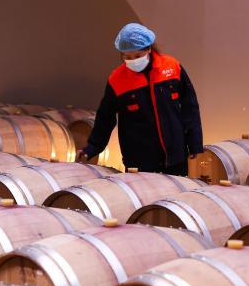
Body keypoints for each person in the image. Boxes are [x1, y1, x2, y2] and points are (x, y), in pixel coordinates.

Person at [76, 23, 203, 176]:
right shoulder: (117, 80)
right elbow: (105, 117)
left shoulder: (173, 67)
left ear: (148, 49)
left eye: (137, 56)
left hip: (175, 156)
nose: (133, 61)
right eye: (127, 57)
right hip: (139, 161)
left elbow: (190, 107)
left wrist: (194, 143)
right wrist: (92, 148)